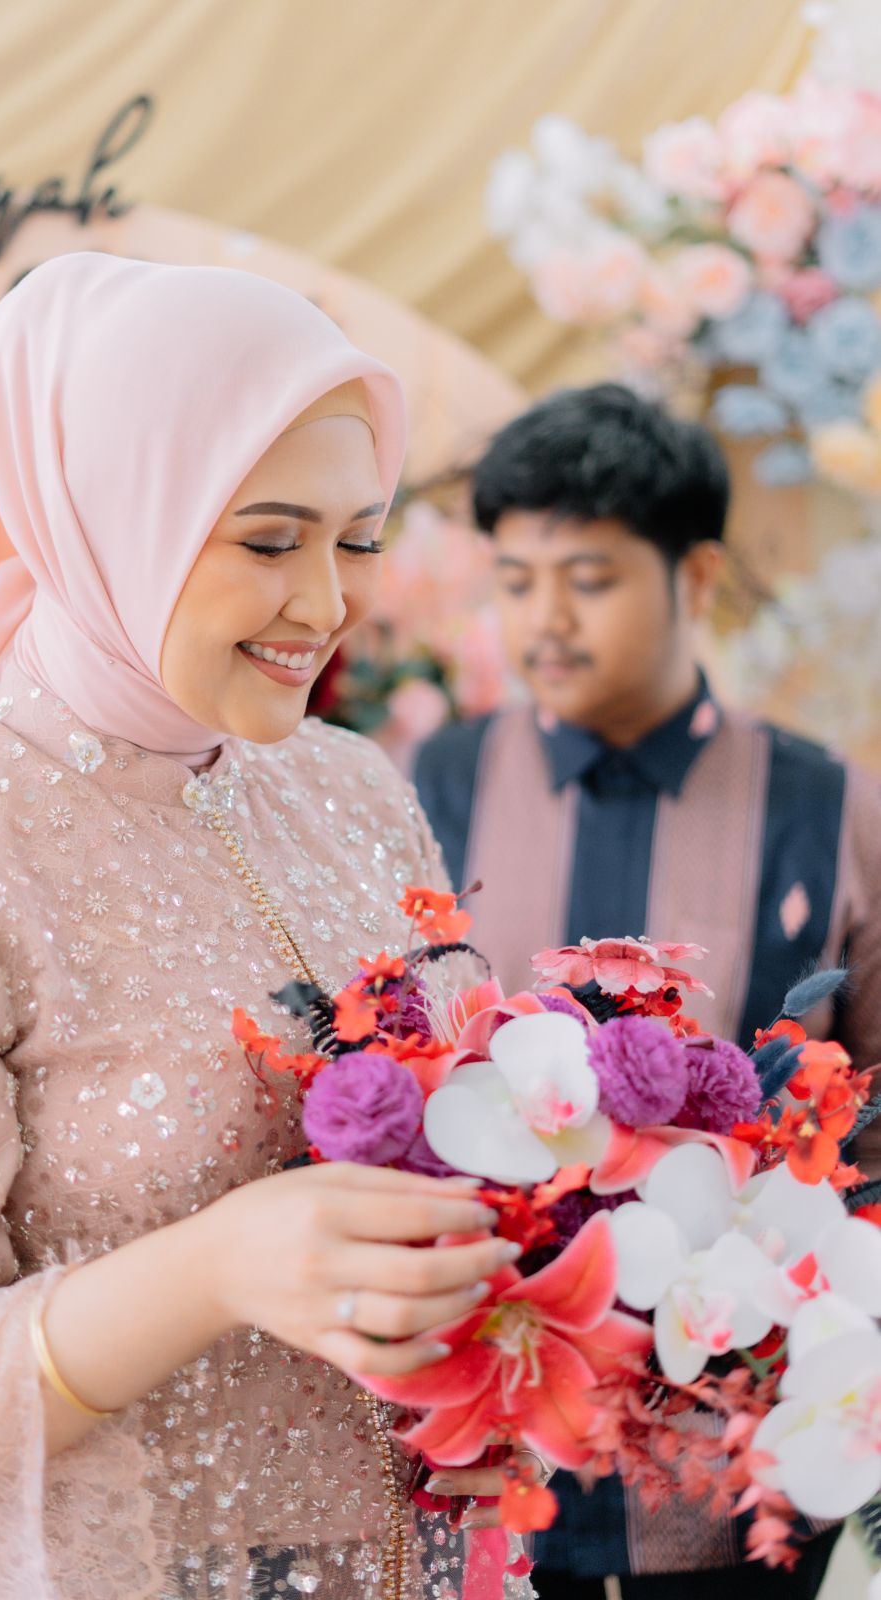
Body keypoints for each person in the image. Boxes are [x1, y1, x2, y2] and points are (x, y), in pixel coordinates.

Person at [0, 254, 526, 1600]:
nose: (325, 603)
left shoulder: (350, 789)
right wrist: (209, 1270)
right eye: (267, 540)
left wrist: (506, 1358)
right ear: (110, 515)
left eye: (355, 538)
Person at [414, 383, 881, 1598]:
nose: (544, 618)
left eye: (588, 577)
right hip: (490, 1453)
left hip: (735, 1474)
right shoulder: (430, 789)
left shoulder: (826, 808)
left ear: (696, 576)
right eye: (516, 580)